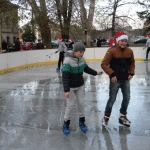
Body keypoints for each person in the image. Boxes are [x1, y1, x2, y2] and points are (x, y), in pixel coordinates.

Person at [62, 42, 103, 136]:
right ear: (75, 51)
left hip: (80, 85)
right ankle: (66, 123)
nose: (81, 54)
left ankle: (82, 122)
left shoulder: (82, 59)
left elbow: (86, 69)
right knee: (70, 106)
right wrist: (67, 90)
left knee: (81, 104)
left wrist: (96, 73)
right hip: (71, 88)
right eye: (80, 52)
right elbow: (65, 77)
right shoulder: (67, 61)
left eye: (83, 52)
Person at [101, 32, 135, 127]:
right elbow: (104, 64)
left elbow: (132, 63)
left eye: (125, 41)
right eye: (122, 41)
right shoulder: (112, 51)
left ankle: (122, 117)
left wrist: (131, 73)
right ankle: (106, 117)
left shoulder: (129, 51)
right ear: (118, 41)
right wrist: (112, 74)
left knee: (127, 98)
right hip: (115, 80)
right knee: (112, 99)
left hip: (125, 79)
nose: (124, 43)